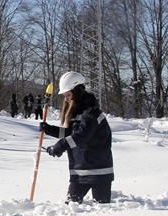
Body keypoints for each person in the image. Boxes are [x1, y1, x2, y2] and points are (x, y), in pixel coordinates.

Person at [40, 71, 114, 204]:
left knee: (102, 210)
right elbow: (72, 133)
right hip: (81, 170)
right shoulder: (79, 111)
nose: (66, 99)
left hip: (98, 170)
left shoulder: (90, 111)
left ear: (77, 91)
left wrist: (59, 146)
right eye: (65, 96)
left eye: (68, 95)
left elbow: (81, 136)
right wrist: (49, 129)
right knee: (70, 207)